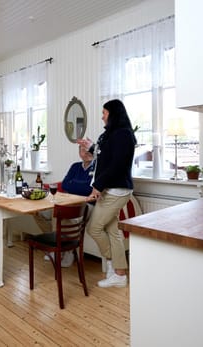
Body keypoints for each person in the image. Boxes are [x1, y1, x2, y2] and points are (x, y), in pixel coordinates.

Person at [78, 99, 136, 288]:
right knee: (113, 232)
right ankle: (119, 274)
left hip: (117, 190)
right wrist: (92, 147)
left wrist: (98, 186)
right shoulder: (112, 134)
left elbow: (117, 165)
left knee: (93, 228)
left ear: (112, 113)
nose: (102, 116)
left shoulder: (124, 134)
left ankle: (112, 264)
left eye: (104, 112)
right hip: (111, 188)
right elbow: (106, 156)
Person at [35, 145, 96, 267]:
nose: (87, 152)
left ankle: (68, 252)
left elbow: (89, 188)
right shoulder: (75, 166)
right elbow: (66, 184)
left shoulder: (98, 167)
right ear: (79, 153)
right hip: (68, 201)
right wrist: (80, 185)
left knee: (60, 214)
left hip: (87, 204)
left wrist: (76, 184)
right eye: (83, 150)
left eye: (89, 149)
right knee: (38, 213)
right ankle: (54, 245)